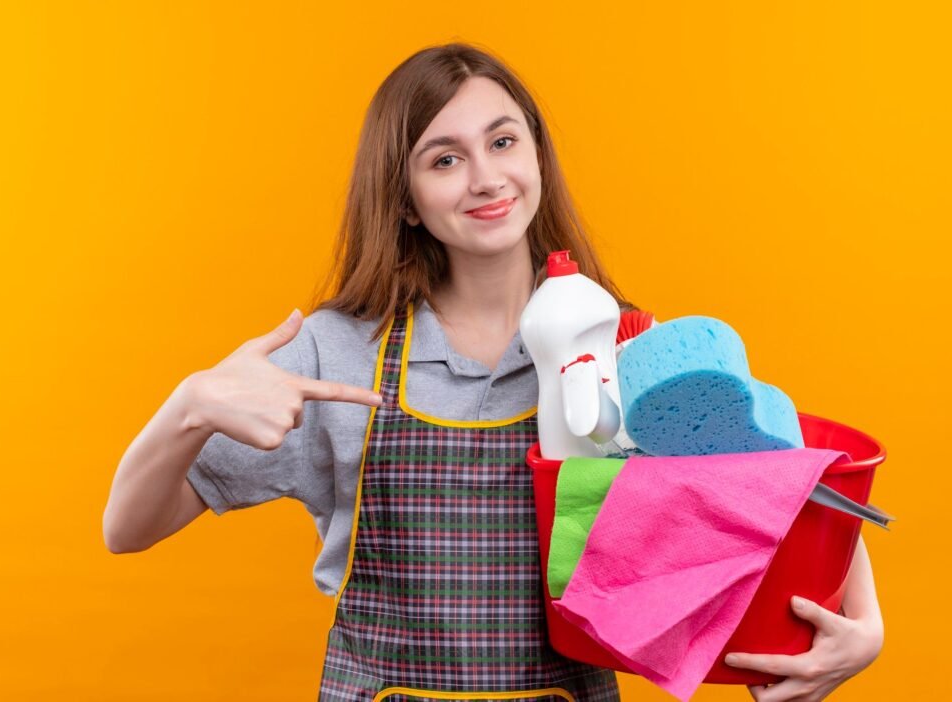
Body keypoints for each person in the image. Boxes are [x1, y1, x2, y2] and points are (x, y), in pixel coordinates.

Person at [103, 42, 884, 701]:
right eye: (445, 159)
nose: (485, 178)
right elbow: (126, 530)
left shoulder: (619, 344)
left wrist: (863, 624)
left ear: (536, 154)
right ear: (405, 199)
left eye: (503, 142)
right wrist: (189, 405)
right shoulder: (334, 355)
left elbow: (772, 470)